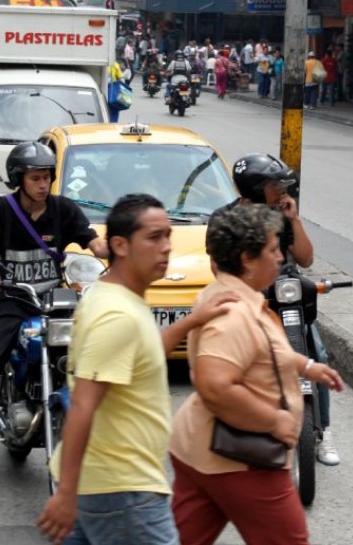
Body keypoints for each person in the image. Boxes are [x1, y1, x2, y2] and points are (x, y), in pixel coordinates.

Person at [37, 194, 237, 545]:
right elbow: (82, 404)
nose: (166, 248)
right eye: (154, 237)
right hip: (123, 489)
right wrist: (65, 493)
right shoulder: (118, 316)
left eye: (168, 236)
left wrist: (193, 320)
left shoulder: (116, 296)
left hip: (104, 483)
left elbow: (140, 358)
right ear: (120, 245)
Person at [169, 204, 344, 545]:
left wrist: (307, 366)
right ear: (248, 259)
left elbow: (262, 350)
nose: (280, 258)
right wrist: (274, 421)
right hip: (244, 458)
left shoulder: (233, 296)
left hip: (201, 450)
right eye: (273, 249)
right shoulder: (232, 314)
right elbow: (214, 384)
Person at [0, 142, 110, 502]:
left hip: (55, 303)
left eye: (47, 176)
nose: (43, 183)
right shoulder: (2, 208)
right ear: (18, 179)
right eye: (35, 177)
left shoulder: (63, 209)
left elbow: (93, 242)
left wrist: (119, 252)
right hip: (12, 300)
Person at [222, 154, 338, 466]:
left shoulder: (282, 214)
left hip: (289, 296)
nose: (281, 191)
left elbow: (305, 260)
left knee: (320, 357)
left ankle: (323, 430)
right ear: (257, 189)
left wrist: (294, 220)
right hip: (251, 302)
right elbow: (218, 269)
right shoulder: (227, 219)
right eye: (275, 186)